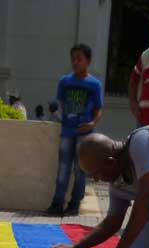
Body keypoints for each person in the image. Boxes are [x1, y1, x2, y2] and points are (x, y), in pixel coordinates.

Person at [45, 43, 103, 217]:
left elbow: (98, 108)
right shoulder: (65, 81)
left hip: (84, 134)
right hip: (67, 131)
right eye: (73, 59)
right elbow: (61, 103)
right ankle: (57, 204)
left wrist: (92, 123)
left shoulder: (94, 84)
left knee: (80, 170)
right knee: (63, 169)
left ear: (88, 61)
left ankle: (74, 204)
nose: (75, 62)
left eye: (79, 59)